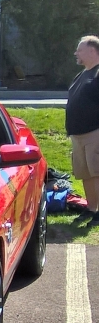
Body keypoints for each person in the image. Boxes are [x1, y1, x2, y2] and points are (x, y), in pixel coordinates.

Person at [66, 35, 99, 226]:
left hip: (94, 132)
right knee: (85, 173)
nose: (76, 53)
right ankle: (91, 208)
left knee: (96, 172)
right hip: (78, 135)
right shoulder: (83, 74)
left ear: (92, 51)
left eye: (79, 49)